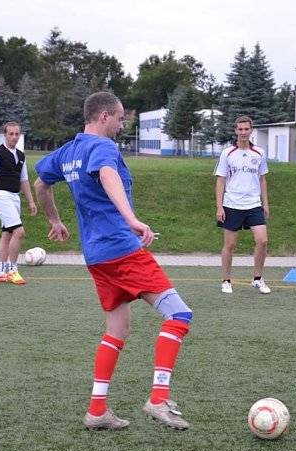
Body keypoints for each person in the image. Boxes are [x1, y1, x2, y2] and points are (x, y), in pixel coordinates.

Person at [34, 91, 192, 431]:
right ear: (104, 116)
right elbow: (108, 175)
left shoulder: (68, 151)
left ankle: (97, 411)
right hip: (121, 249)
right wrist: (132, 219)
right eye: (120, 118)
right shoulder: (103, 147)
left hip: (96, 256)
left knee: (117, 330)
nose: (122, 126)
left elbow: (40, 184)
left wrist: (54, 221)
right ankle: (158, 398)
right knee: (179, 315)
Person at [214, 116, 271, 294]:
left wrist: (265, 204)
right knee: (230, 244)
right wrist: (219, 206)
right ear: (235, 131)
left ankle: (257, 279)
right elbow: (220, 181)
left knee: (262, 241)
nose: (243, 132)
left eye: (246, 129)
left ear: (251, 130)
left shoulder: (259, 153)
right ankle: (226, 281)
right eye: (240, 129)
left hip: (253, 204)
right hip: (232, 204)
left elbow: (262, 179)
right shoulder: (227, 153)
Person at [0, 122, 37, 285]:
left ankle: (0, 271)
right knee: (19, 232)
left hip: (14, 196)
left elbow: (24, 180)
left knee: (8, 234)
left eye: (16, 134)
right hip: (0, 195)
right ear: (5, 135)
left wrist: (31, 201)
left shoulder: (21, 156)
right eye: (11, 134)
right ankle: (13, 270)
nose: (14, 137)